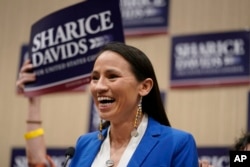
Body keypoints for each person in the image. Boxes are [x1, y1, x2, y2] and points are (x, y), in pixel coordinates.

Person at [17, 42, 200, 167]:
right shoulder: (84, 144)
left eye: (112, 76)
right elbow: (38, 162)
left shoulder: (177, 143)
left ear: (144, 87)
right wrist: (34, 100)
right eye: (94, 78)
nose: (99, 87)